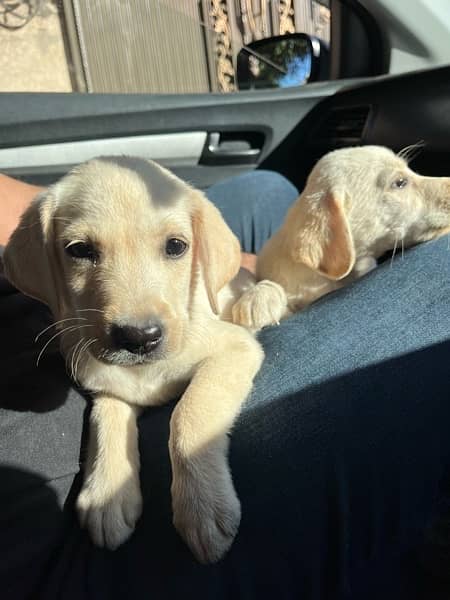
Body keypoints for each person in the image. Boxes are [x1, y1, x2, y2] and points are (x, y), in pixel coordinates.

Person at [0, 168, 449, 600]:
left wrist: (243, 274)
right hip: (44, 546)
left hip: (47, 341)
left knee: (266, 188)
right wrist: (135, 430)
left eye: (174, 245)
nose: (136, 321)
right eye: (82, 250)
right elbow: (224, 353)